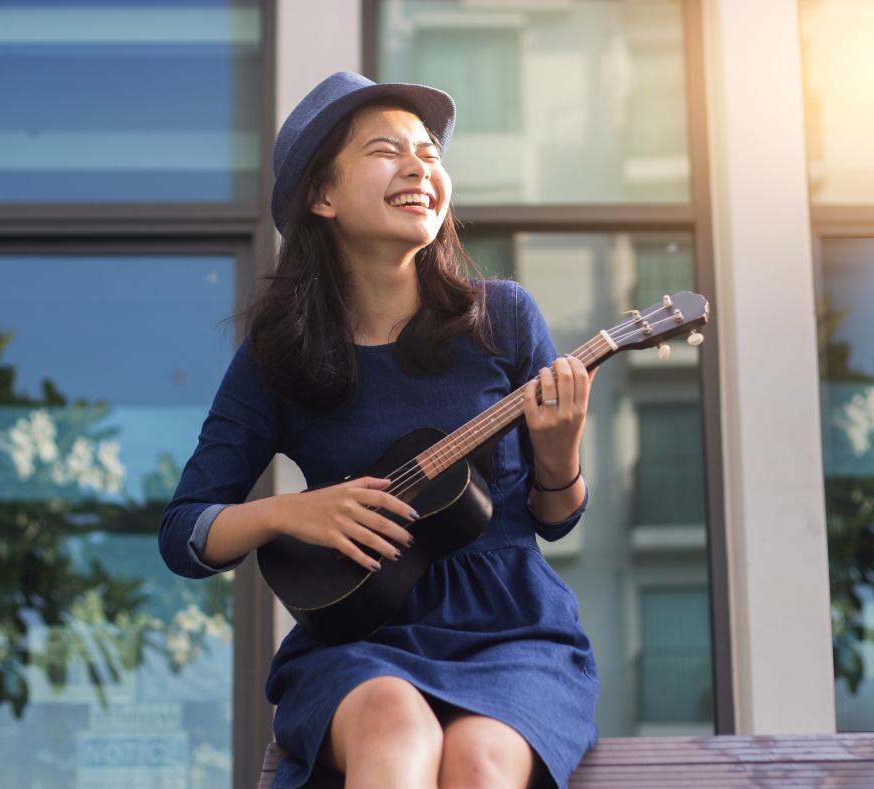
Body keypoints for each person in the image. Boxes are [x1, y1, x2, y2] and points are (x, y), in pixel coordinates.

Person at [158, 71, 599, 789]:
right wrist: (290, 512)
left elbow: (557, 518)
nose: (421, 164)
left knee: (480, 763)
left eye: (429, 151)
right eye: (386, 150)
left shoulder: (505, 317)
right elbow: (183, 532)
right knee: (396, 724)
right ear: (321, 196)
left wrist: (559, 456)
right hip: (357, 641)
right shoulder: (278, 359)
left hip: (513, 630)